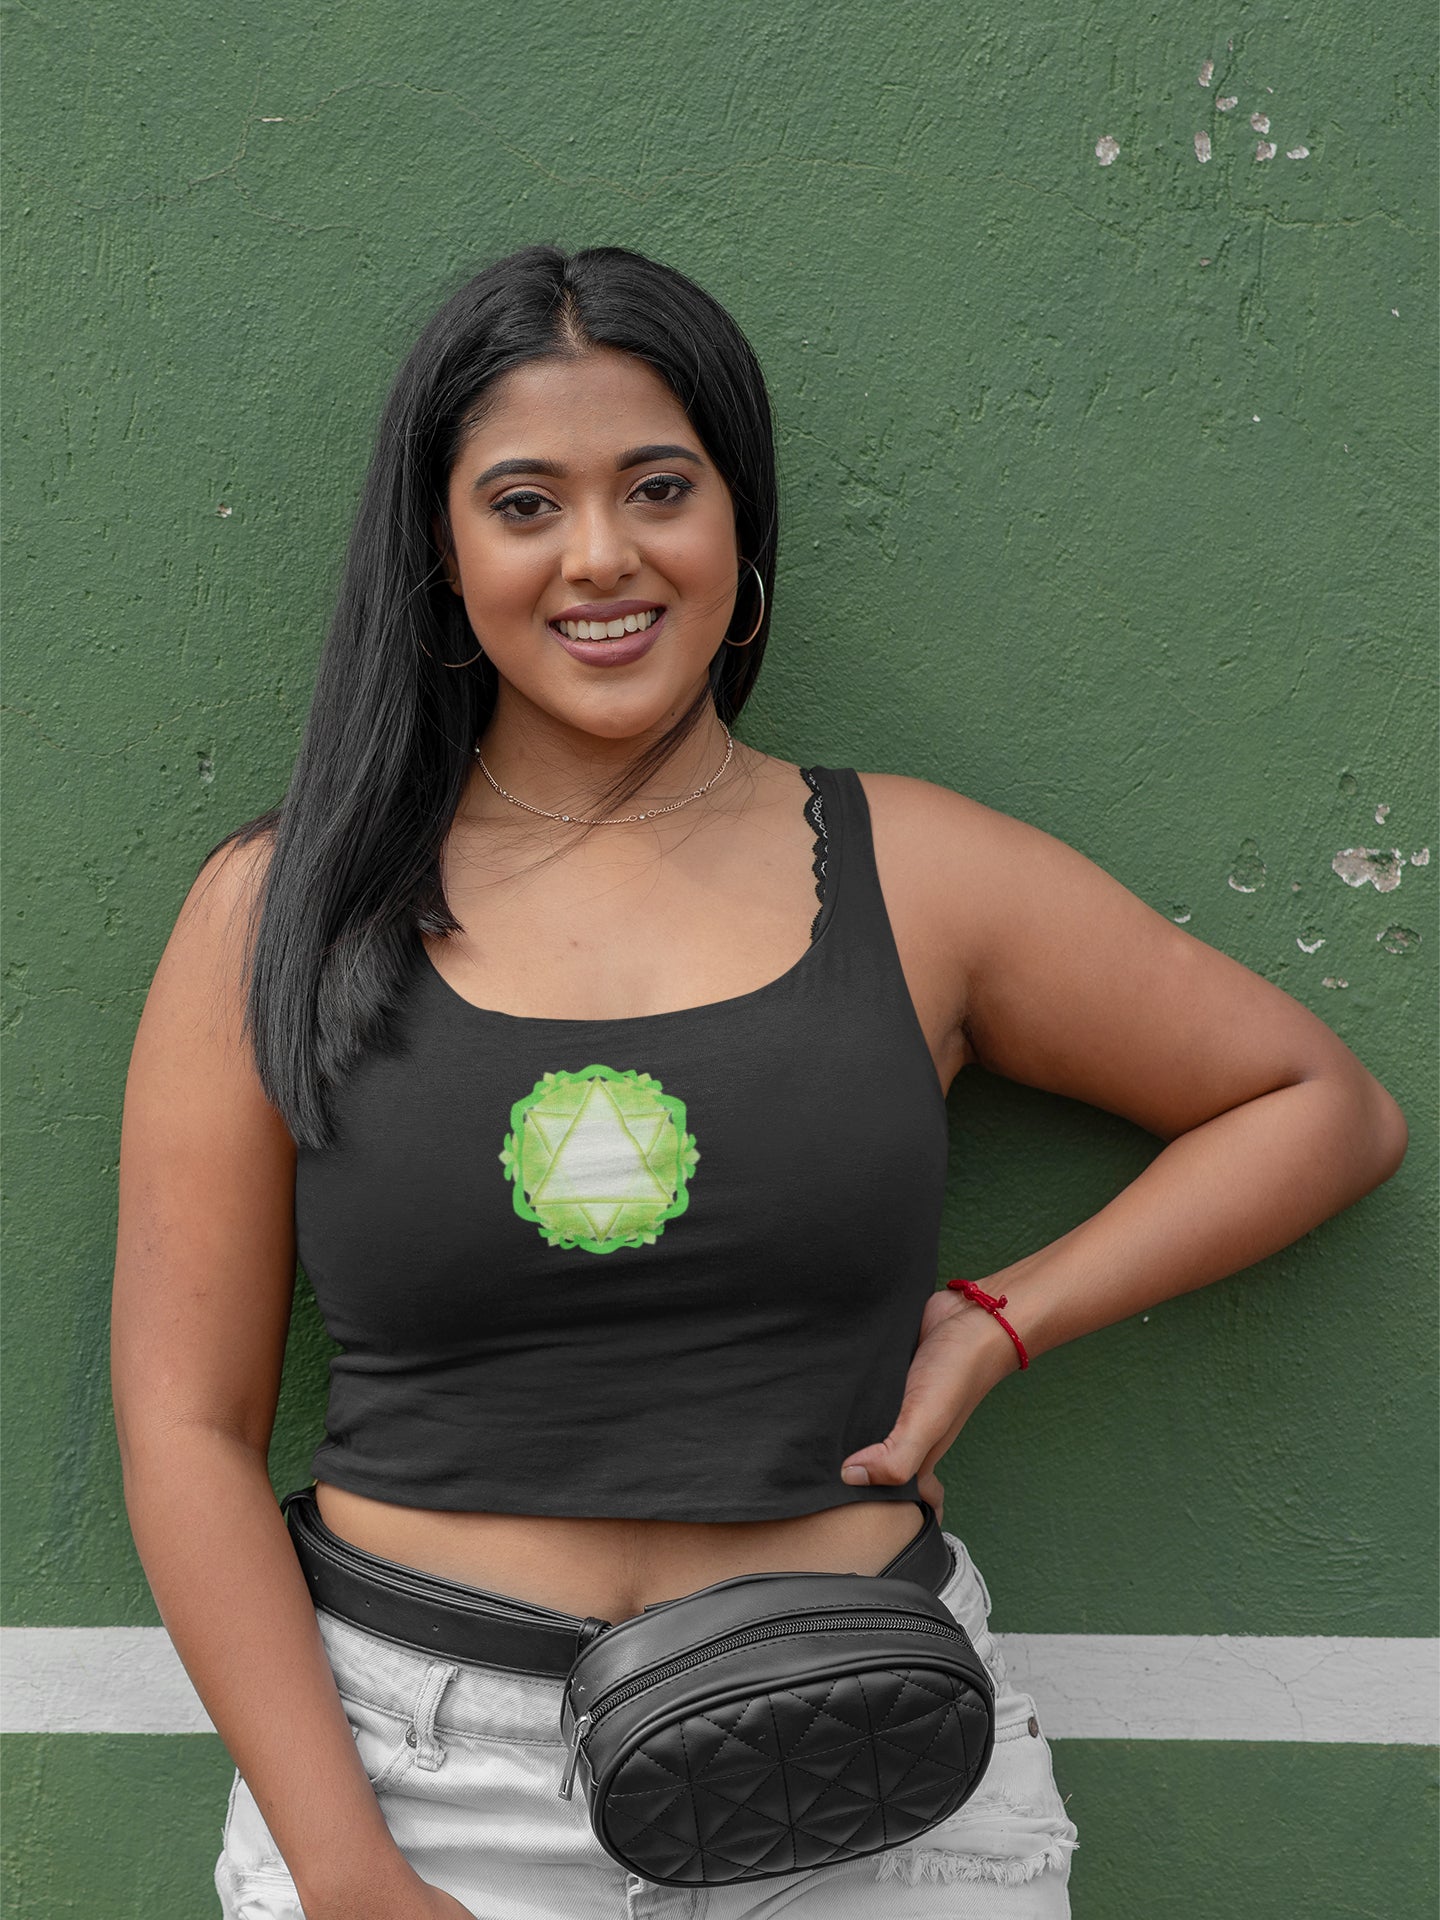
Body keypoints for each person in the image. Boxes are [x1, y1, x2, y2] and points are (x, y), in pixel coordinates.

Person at [110, 244, 1408, 1920]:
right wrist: (346, 1870)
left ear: (741, 523)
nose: (603, 554)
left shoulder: (920, 875)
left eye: (661, 488)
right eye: (524, 504)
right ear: (442, 554)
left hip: (883, 1785)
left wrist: (997, 1321)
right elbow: (186, 1428)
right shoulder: (279, 912)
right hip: (425, 1786)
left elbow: (1320, 1107)